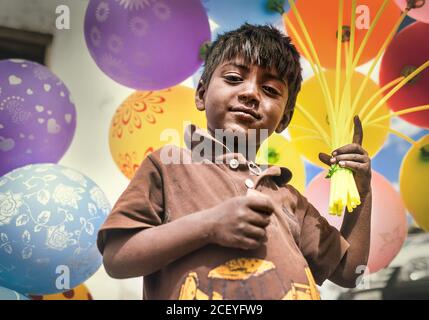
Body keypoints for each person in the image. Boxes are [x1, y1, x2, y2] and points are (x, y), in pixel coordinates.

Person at [97, 24, 372, 300]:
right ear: (201, 94)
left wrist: (362, 191)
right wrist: (209, 226)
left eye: (270, 90)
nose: (251, 94)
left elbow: (351, 273)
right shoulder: (168, 166)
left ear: (284, 119)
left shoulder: (288, 197)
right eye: (233, 78)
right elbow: (117, 257)